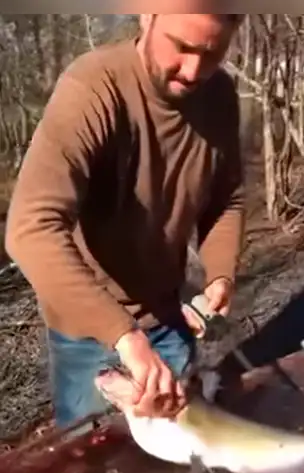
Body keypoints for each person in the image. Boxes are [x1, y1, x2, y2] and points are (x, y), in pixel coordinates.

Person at [4, 12, 246, 430]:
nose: (193, 71)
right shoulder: (93, 88)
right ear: (147, 15)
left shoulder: (220, 95)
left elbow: (228, 198)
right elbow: (31, 228)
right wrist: (123, 335)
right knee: (94, 461)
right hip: (90, 333)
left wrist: (220, 273)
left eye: (211, 54)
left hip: (169, 318)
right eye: (182, 47)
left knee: (179, 453)